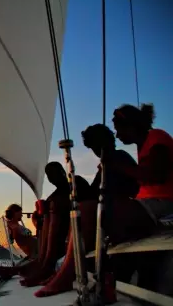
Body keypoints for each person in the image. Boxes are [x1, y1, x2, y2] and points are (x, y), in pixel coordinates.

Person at [34, 123, 157, 301]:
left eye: (94, 145)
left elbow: (133, 188)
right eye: (92, 146)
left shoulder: (118, 158)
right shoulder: (108, 164)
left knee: (82, 210)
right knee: (66, 210)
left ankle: (64, 273)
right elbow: (94, 191)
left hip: (124, 215)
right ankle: (46, 265)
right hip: (109, 215)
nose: (95, 151)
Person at [17, 162, 93, 286]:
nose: (52, 179)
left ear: (62, 172)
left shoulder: (76, 182)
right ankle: (42, 261)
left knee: (54, 208)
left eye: (53, 175)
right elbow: (50, 201)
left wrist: (52, 205)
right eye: (49, 177)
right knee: (45, 215)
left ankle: (47, 265)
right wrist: (39, 213)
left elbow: (80, 200)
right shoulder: (58, 192)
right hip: (66, 223)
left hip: (82, 221)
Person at [111, 103, 173, 220]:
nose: (117, 135)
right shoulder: (143, 145)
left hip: (166, 200)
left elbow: (157, 175)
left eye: (118, 129)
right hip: (148, 201)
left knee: (116, 211)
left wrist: (117, 166)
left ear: (130, 126)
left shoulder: (157, 137)